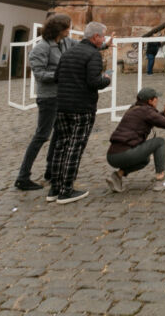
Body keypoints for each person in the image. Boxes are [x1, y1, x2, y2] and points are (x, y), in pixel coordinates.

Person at [49, 21, 112, 204]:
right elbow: (94, 82)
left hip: (62, 106)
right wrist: (106, 79)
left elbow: (56, 77)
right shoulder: (93, 55)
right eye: (102, 37)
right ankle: (66, 191)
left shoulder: (68, 52)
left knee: (60, 146)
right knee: (74, 147)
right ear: (95, 37)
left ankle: (54, 188)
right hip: (82, 107)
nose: (103, 40)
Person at [14, 14, 72, 191]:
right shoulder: (41, 48)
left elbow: (82, 48)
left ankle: (51, 170)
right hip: (48, 98)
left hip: (60, 95)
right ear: (59, 29)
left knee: (59, 133)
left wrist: (103, 45)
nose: (70, 30)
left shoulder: (65, 43)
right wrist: (59, 75)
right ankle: (23, 177)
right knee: (41, 135)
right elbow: (39, 74)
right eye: (67, 27)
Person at [106, 87, 165, 193]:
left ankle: (117, 176)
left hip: (112, 156)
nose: (157, 100)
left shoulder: (134, 108)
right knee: (159, 142)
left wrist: (164, 112)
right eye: (156, 98)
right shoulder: (147, 111)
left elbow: (152, 118)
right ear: (150, 100)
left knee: (144, 160)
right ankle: (161, 180)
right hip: (125, 154)